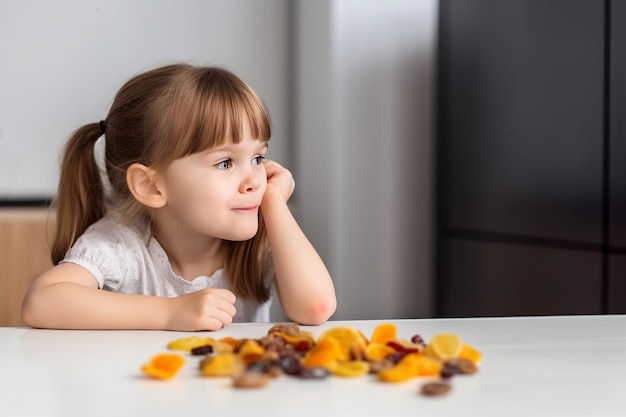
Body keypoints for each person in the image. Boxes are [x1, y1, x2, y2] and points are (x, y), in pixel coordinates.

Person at [21, 64, 336, 331]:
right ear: (152, 187)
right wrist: (169, 313)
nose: (254, 180)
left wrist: (275, 206)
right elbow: (42, 302)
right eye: (225, 162)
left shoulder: (263, 234)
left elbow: (316, 307)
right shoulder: (121, 244)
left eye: (257, 157)